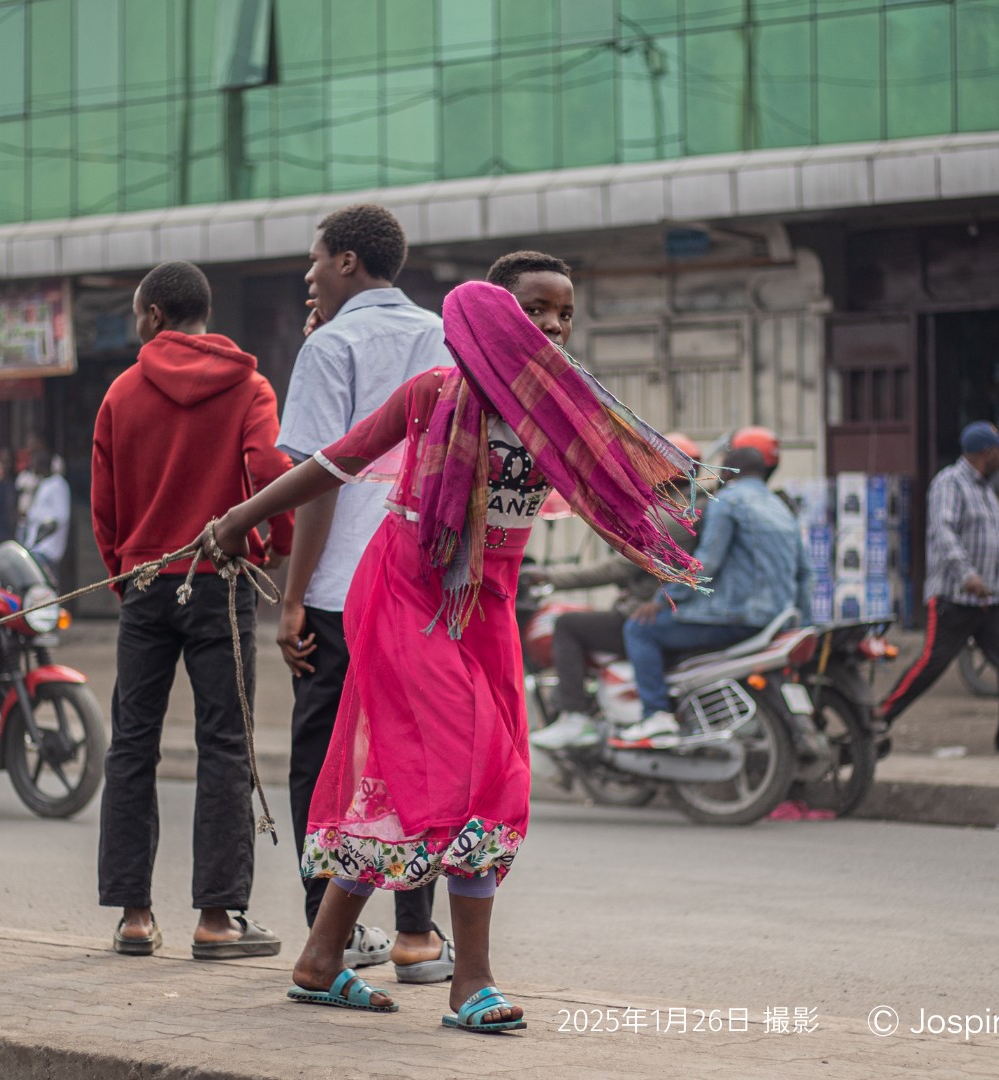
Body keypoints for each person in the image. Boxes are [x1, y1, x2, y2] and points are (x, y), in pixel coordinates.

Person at [207, 280, 703, 1031]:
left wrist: (678, 527)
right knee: (483, 774)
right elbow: (335, 463)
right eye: (534, 311)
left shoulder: (563, 410)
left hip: (488, 605)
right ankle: (471, 983)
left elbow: (635, 478)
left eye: (564, 314)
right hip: (406, 592)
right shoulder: (434, 393)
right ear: (483, 326)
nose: (552, 327)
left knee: (401, 783)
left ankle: (318, 959)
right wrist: (240, 517)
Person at [92, 260, 294, 962]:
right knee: (224, 744)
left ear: (151, 316)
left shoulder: (121, 392)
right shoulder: (250, 385)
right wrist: (272, 544)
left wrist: (125, 572)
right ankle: (216, 918)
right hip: (219, 578)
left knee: (132, 744)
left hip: (147, 581)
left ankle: (135, 916)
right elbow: (271, 472)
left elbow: (105, 502)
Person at [274, 204, 454, 978]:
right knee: (416, 753)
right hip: (423, 586)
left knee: (322, 756)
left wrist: (291, 597)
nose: (308, 275)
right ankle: (417, 936)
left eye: (315, 260)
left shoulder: (331, 345)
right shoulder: (445, 338)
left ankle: (332, 934)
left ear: (347, 261)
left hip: (342, 588)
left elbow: (317, 483)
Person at [615, 445, 811, 745]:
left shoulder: (727, 502)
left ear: (725, 471)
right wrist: (802, 623)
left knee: (639, 629)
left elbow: (707, 563)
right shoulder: (780, 507)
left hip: (733, 617)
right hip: (777, 620)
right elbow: (804, 573)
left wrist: (664, 598)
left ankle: (655, 715)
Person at [527, 429, 707, 751]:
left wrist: (551, 575)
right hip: (671, 609)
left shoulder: (670, 518)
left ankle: (575, 716)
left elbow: (619, 567)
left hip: (647, 613)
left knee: (567, 626)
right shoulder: (692, 510)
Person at [878, 421, 999, 753]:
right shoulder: (949, 483)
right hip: (953, 597)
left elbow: (989, 544)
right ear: (986, 454)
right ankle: (879, 716)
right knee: (930, 665)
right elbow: (943, 533)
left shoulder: (985, 488)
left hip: (990, 600)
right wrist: (966, 575)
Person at [21, 442, 71, 566]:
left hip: (46, 549)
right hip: (35, 549)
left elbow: (59, 519)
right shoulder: (42, 483)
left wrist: (37, 540)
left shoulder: (58, 484)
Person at [0, 446, 21, 548]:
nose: (6, 465)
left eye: (8, 461)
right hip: (1, 530)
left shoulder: (20, 481)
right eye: (3, 462)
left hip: (16, 531)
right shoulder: (0, 484)